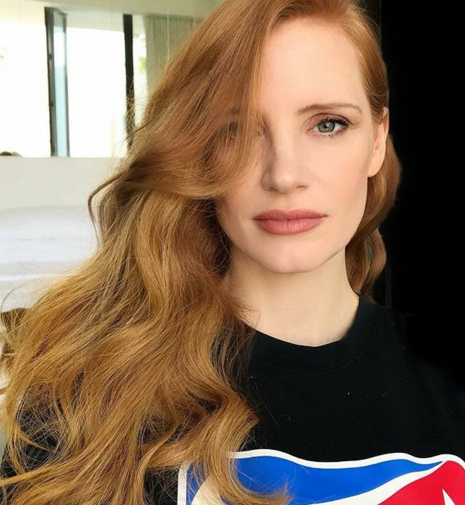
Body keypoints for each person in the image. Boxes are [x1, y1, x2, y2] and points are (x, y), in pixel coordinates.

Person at [1, 0, 465, 503]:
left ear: (377, 140)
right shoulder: (89, 395)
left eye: (328, 124)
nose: (284, 175)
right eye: (235, 130)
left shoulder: (446, 384)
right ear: (200, 150)